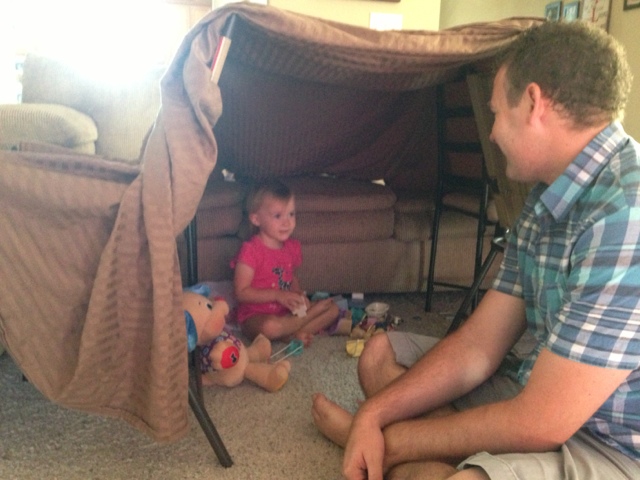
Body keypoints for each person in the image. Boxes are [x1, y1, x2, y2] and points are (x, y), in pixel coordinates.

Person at [312, 21, 640, 480]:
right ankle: (414, 454)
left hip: (613, 444)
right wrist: (374, 413)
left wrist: (390, 438)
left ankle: (391, 454)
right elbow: (479, 346)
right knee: (380, 356)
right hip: (537, 393)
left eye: (496, 114)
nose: (492, 133)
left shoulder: (625, 213)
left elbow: (543, 421)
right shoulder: (543, 199)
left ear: (533, 103)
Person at [232, 179, 339, 346]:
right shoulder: (251, 250)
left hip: (285, 312)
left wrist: (298, 295)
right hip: (255, 316)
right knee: (271, 327)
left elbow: (290, 277)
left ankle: (289, 334)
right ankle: (299, 324)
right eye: (278, 216)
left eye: (291, 214)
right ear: (256, 219)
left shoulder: (291, 247)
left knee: (332, 310)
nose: (287, 222)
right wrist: (277, 295)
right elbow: (241, 292)